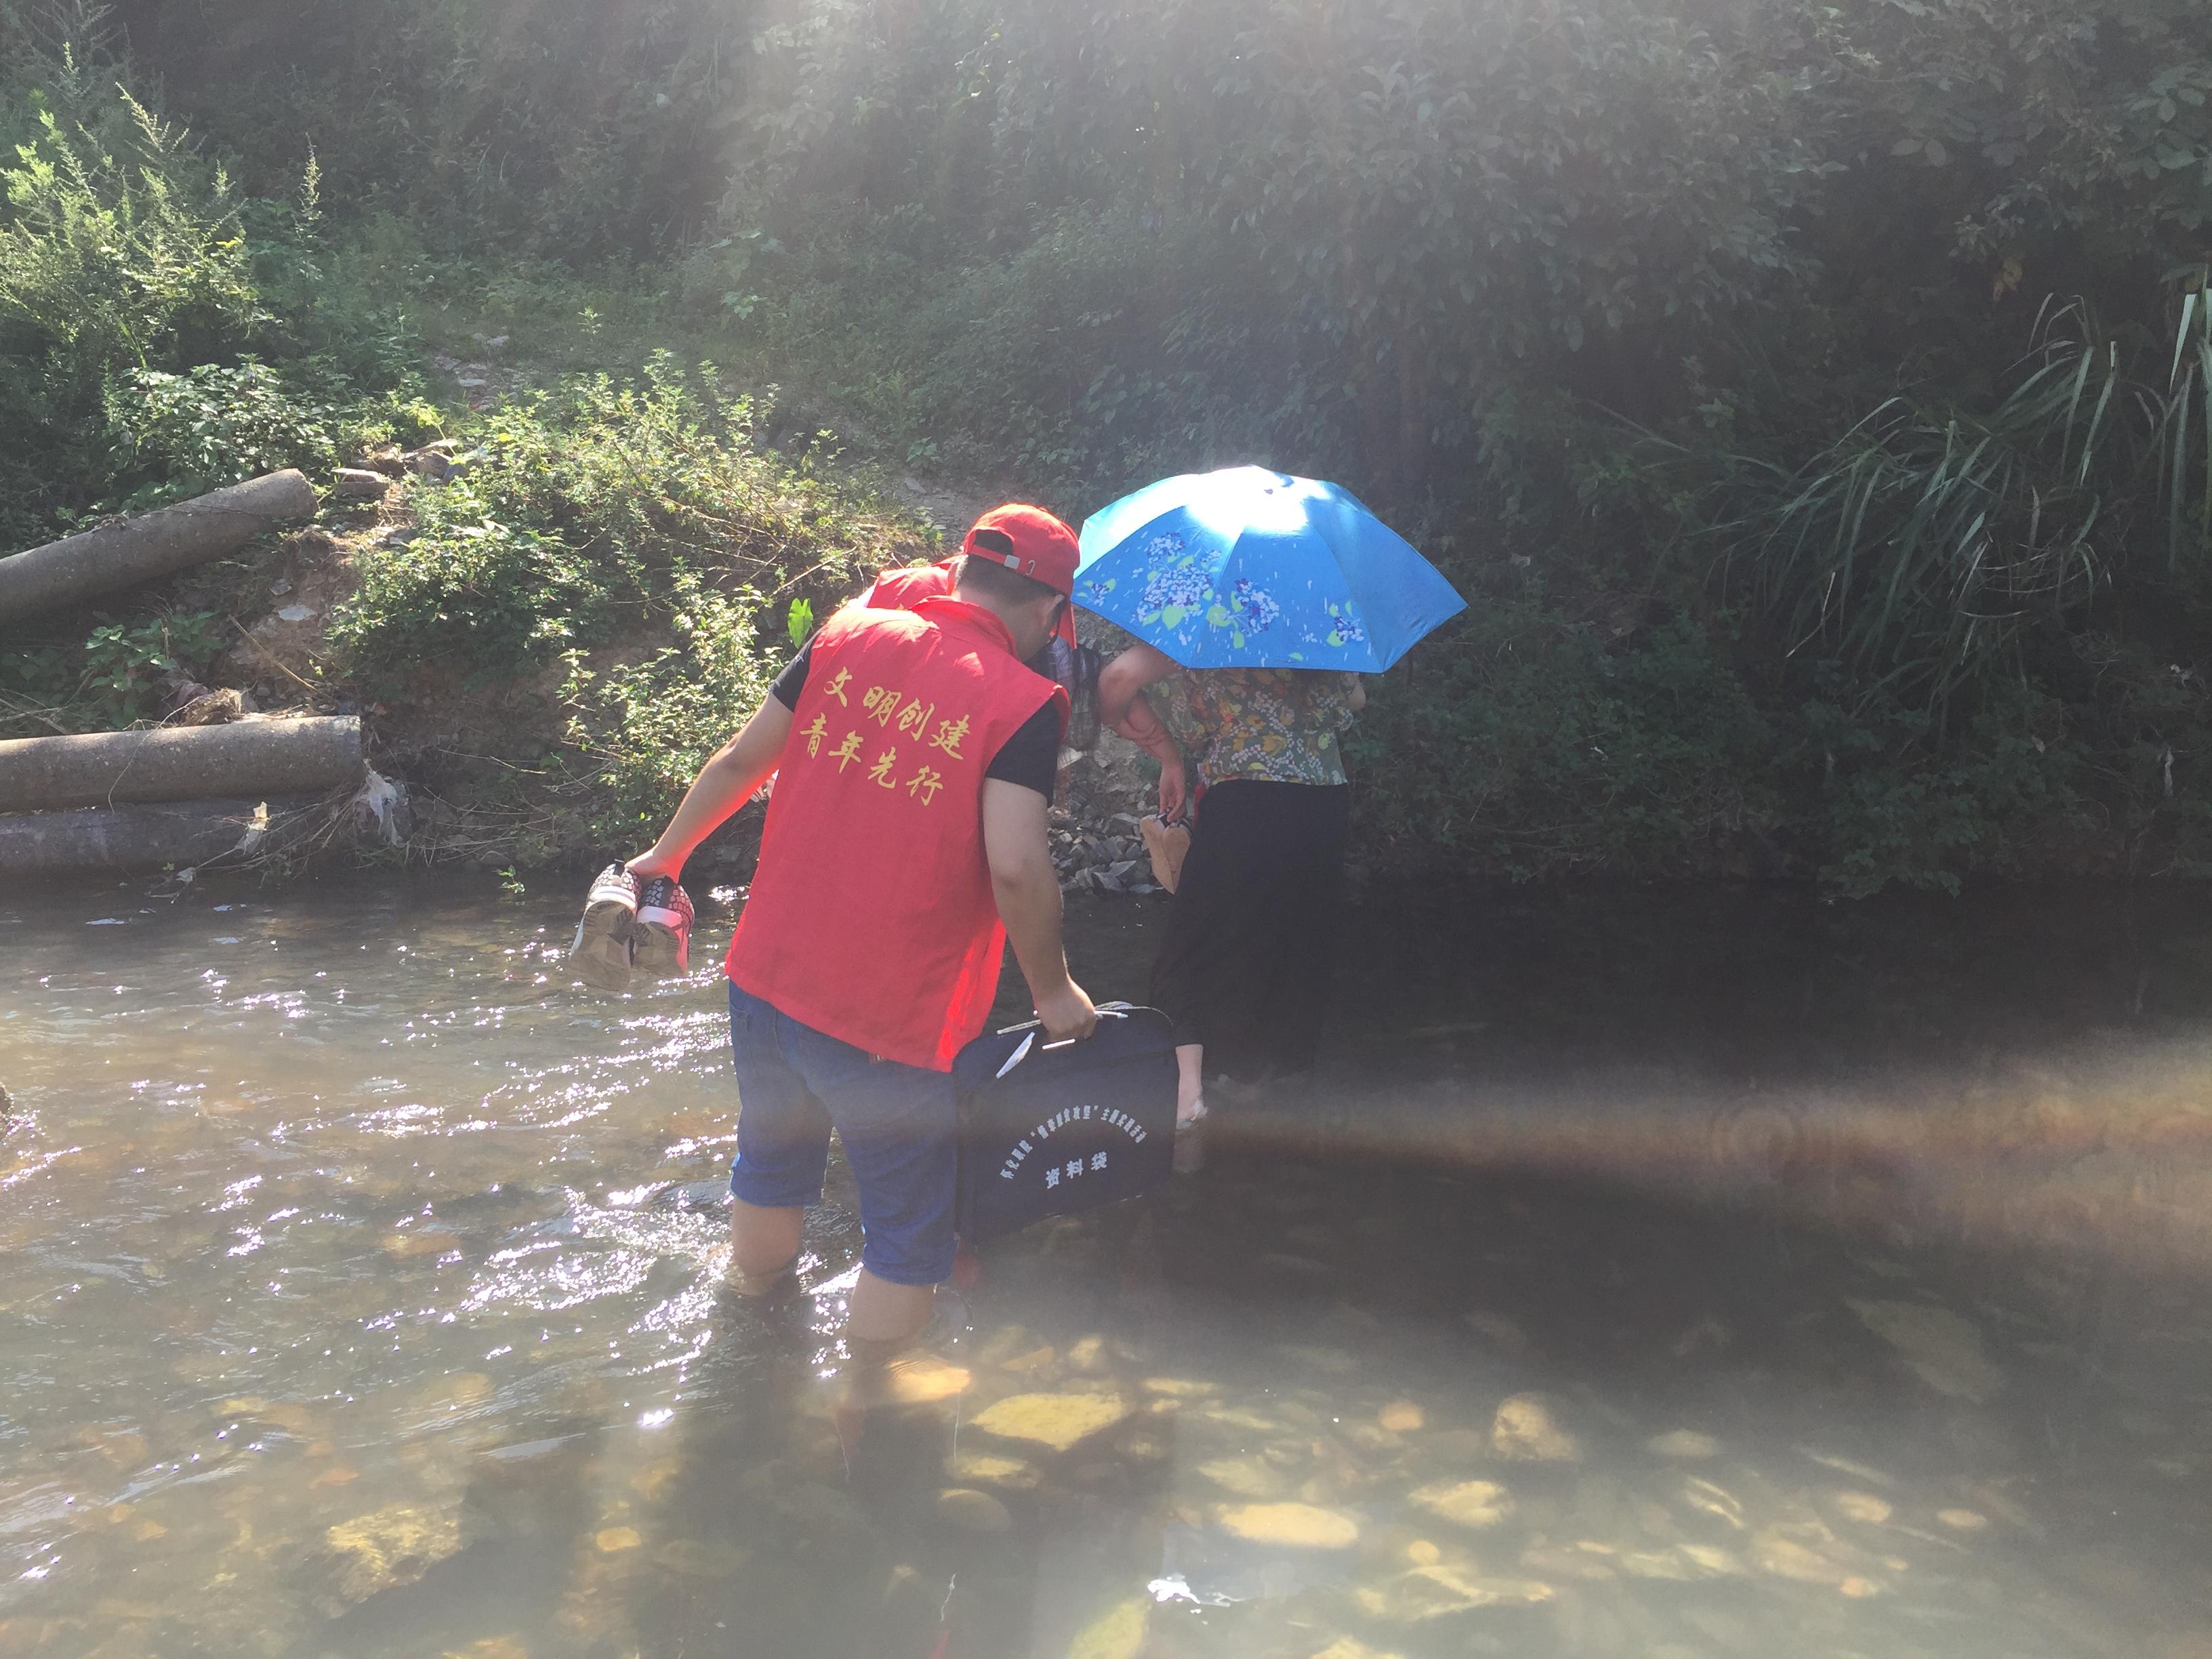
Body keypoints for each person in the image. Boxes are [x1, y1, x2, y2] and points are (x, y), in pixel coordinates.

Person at [624, 504, 1100, 1357]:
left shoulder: (846, 633)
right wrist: (1053, 990)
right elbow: (1017, 866)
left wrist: (667, 856)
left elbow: (741, 760)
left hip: (765, 978)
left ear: (960, 572)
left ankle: (751, 1327)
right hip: (889, 1017)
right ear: (1048, 611)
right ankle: (875, 1401)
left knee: (771, 1167)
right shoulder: (1024, 702)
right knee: (909, 1234)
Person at [1097, 649, 1366, 1126]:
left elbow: (1118, 676)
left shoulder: (1217, 629)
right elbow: (1356, 699)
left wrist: (1163, 749)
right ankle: (1255, 1085)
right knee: (1289, 944)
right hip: (1323, 803)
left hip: (1244, 801)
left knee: (1194, 946)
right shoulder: (1321, 628)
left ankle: (1188, 1096)